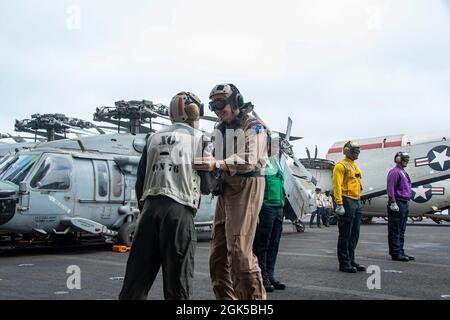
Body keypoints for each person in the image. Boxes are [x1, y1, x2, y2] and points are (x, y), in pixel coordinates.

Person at [119, 92, 206, 300]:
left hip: (148, 210)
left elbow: (140, 181)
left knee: (135, 281)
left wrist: (147, 209)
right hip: (179, 212)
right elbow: (210, 185)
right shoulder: (201, 139)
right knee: (178, 283)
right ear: (193, 112)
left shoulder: (152, 138)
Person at [193, 83, 268, 300]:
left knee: (240, 254)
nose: (217, 110)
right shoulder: (219, 128)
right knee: (217, 256)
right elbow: (210, 150)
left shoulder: (254, 126)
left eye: (221, 105)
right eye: (213, 106)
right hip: (226, 188)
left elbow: (250, 159)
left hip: (246, 186)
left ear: (236, 102)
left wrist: (217, 164)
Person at [253, 152, 287, 292]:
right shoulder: (261, 159)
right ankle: (262, 277)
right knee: (262, 244)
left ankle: (270, 275)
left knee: (274, 243)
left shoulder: (277, 161)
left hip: (279, 207)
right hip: (266, 207)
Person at [333, 141, 366, 273]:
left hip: (357, 201)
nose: (357, 153)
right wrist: (339, 203)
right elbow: (337, 186)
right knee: (345, 234)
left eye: (358, 151)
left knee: (355, 233)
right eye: (355, 150)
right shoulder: (340, 166)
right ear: (347, 151)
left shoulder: (354, 166)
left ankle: (351, 259)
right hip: (347, 200)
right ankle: (344, 262)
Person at [387, 152, 414, 262]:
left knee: (401, 229)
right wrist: (393, 202)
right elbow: (390, 188)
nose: (406, 161)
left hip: (404, 203)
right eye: (404, 159)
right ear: (398, 159)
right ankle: (395, 253)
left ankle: (400, 251)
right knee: (395, 229)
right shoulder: (394, 172)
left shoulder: (403, 172)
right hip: (397, 203)